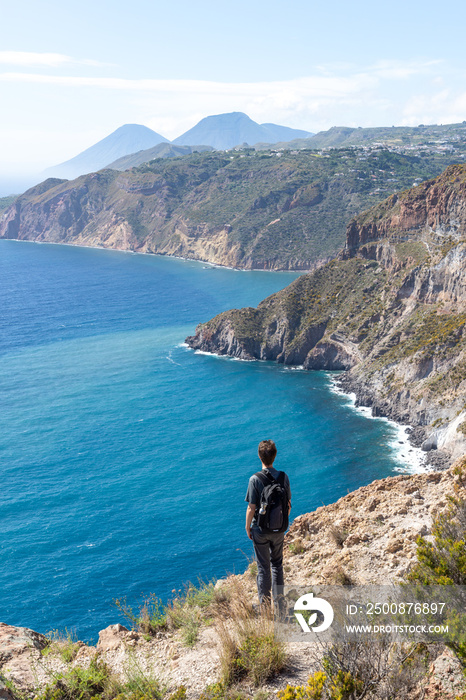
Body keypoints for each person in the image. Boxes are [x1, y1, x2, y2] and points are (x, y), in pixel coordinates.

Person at [245, 439, 291, 607]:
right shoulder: (283, 477)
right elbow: (288, 505)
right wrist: (281, 523)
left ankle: (264, 606)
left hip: (260, 530)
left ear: (259, 456)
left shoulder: (254, 479)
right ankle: (280, 605)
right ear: (275, 455)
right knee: (277, 566)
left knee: (263, 568)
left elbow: (251, 508)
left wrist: (248, 527)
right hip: (279, 529)